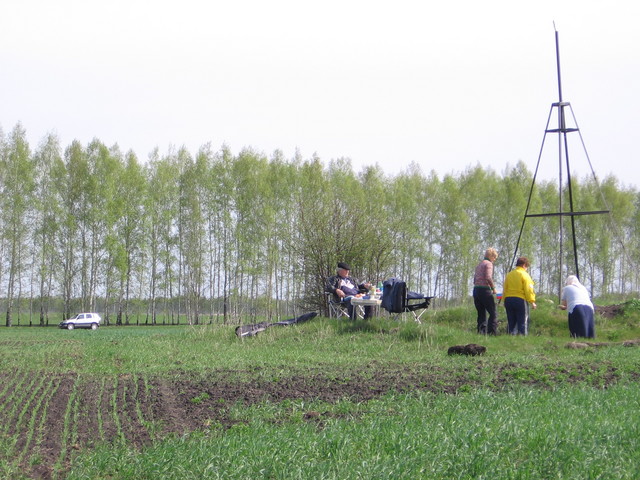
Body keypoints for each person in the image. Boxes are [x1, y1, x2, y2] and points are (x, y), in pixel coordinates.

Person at [503, 256, 537, 335]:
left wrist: (504, 300)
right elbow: (528, 289)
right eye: (527, 267)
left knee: (511, 321)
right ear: (524, 265)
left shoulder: (509, 274)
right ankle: (522, 338)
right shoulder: (525, 275)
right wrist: (532, 301)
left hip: (508, 299)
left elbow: (505, 288)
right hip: (520, 300)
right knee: (522, 322)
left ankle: (510, 337)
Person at [473, 247, 499, 335]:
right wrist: (493, 288)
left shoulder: (479, 264)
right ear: (491, 256)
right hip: (484, 290)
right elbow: (488, 277)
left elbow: (474, 279)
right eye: (494, 258)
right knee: (493, 312)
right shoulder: (488, 264)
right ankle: (492, 332)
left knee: (481, 313)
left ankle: (481, 331)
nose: (494, 260)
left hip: (476, 290)